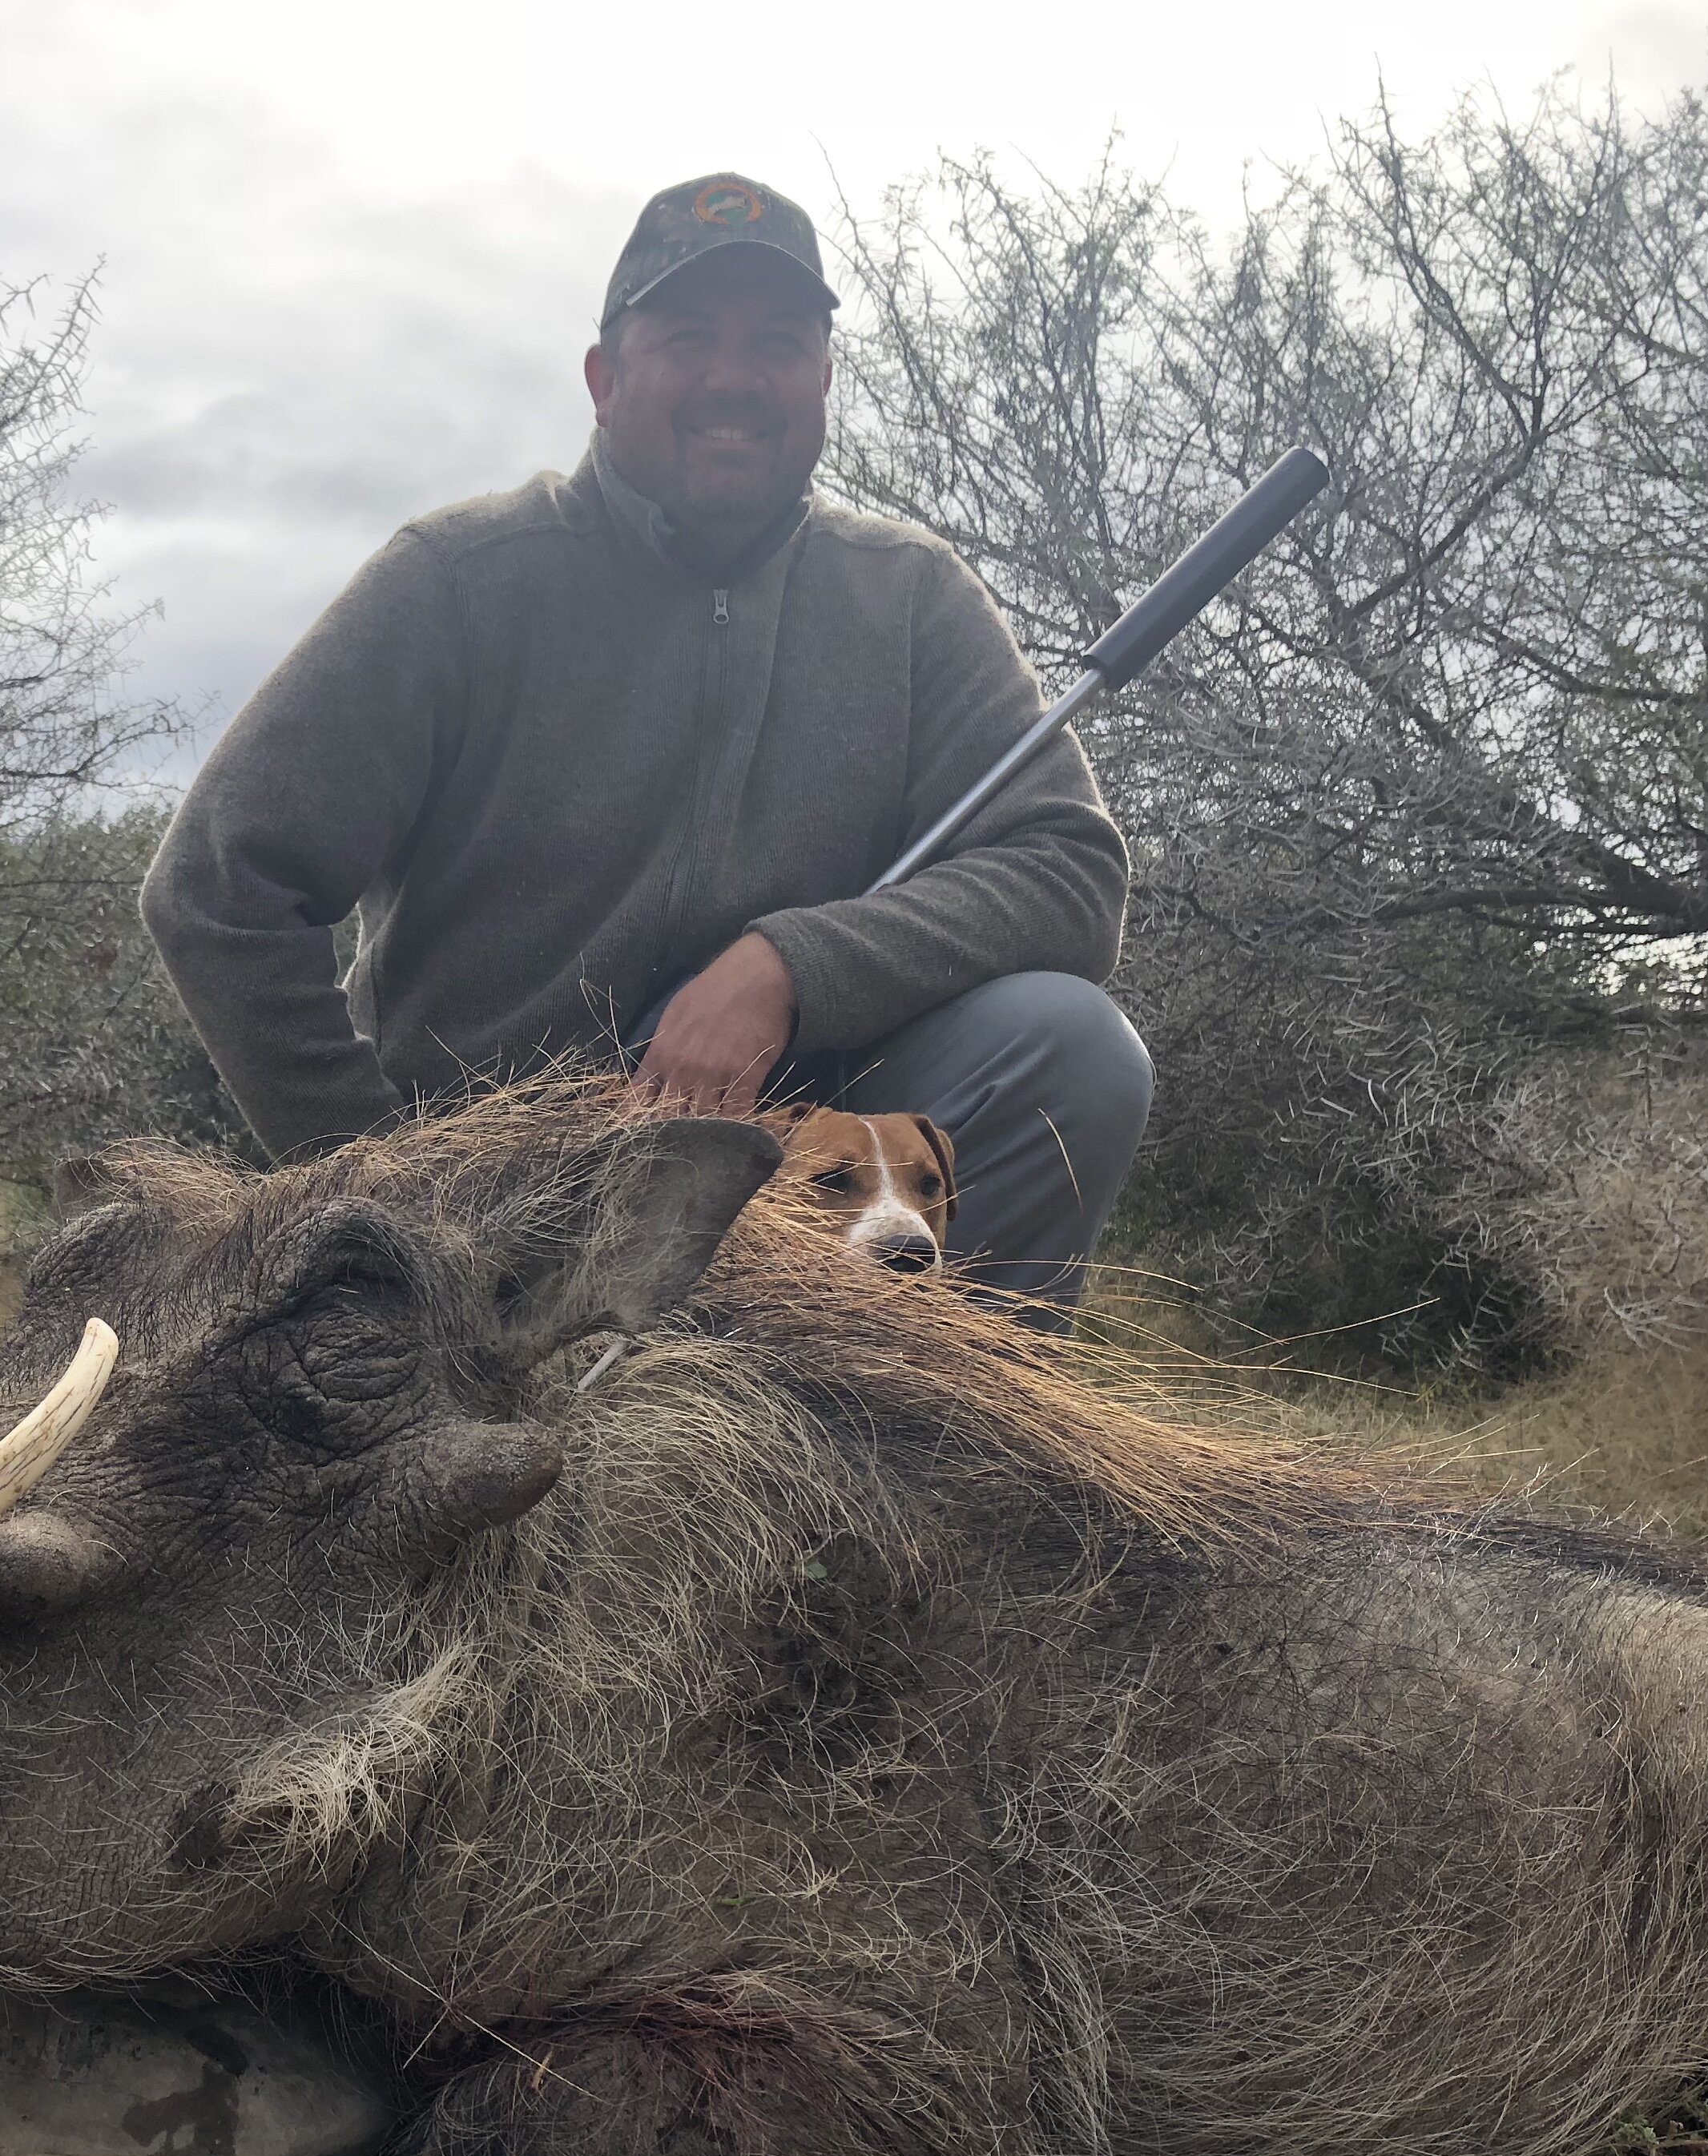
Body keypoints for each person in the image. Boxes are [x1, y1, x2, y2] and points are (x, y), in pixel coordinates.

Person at [142, 171, 1152, 1312]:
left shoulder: (914, 598)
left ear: (823, 383)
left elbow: (1069, 869)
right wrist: (385, 1192)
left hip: (804, 1189)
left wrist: (787, 969)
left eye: (777, 342)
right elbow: (217, 888)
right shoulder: (456, 582)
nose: (734, 378)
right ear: (605, 379)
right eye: (686, 339)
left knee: (1072, 1046)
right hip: (494, 1207)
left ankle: (934, 1462)